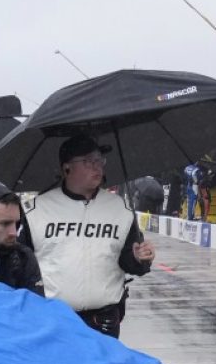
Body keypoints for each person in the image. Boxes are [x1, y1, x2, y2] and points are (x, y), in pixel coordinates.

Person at [22, 133, 154, 338]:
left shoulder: (120, 208)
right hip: (53, 319)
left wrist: (139, 259)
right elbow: (21, 264)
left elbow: (129, 262)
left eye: (100, 160)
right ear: (67, 168)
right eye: (88, 161)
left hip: (104, 320)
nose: (97, 166)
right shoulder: (37, 209)